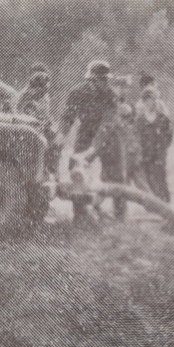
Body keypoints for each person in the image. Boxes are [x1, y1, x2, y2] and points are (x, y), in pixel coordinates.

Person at [57, 59, 118, 225]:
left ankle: (114, 215)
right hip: (85, 132)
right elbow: (67, 116)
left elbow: (107, 124)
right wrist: (61, 135)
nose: (104, 83)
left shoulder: (111, 96)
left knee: (114, 173)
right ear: (91, 79)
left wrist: (94, 149)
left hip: (107, 136)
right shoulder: (77, 92)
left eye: (106, 80)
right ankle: (80, 214)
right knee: (77, 169)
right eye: (101, 80)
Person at [78, 102, 151, 221]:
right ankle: (97, 211)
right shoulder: (109, 128)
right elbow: (97, 146)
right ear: (117, 115)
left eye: (127, 117)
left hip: (122, 165)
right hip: (111, 164)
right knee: (107, 190)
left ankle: (119, 215)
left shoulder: (125, 129)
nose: (124, 120)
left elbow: (133, 146)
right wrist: (89, 158)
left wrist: (134, 159)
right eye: (122, 117)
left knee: (119, 191)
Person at [137, 86, 173, 203]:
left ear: (156, 101)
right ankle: (153, 204)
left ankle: (165, 203)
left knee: (160, 177)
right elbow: (136, 137)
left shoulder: (163, 119)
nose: (149, 103)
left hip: (159, 154)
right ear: (143, 102)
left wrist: (162, 149)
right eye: (146, 101)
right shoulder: (140, 120)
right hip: (145, 153)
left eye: (152, 100)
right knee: (147, 180)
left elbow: (169, 136)